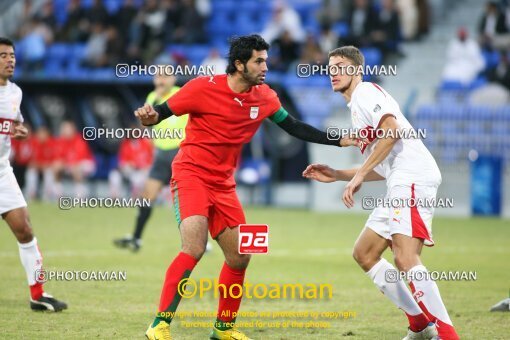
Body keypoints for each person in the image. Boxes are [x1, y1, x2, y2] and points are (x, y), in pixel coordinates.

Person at [135, 35, 360, 340]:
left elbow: (293, 126)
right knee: (194, 247)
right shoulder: (202, 88)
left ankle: (223, 329)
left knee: (242, 255)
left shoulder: (265, 97)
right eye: (259, 61)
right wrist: (149, 118)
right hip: (190, 175)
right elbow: (159, 113)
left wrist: (338, 139)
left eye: (266, 60)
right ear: (239, 64)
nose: (265, 66)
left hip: (224, 185)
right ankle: (159, 324)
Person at [303, 46, 460, 340]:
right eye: (330, 67)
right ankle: (420, 326)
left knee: (405, 256)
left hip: (413, 176)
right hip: (399, 179)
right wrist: (338, 175)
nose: (333, 72)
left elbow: (392, 131)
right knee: (364, 252)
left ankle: (448, 335)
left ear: (357, 71)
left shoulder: (366, 93)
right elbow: (384, 164)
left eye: (340, 66)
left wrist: (359, 174)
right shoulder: (356, 110)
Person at [0, 37, 67, 312]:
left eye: (12, 55)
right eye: (3, 55)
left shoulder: (15, 92)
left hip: (2, 172)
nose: (10, 60)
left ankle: (38, 295)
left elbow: (17, 126)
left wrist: (21, 132)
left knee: (24, 229)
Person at [113, 73, 207, 252]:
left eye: (165, 76)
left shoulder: (182, 93)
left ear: (173, 79)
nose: (160, 80)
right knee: (147, 196)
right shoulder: (151, 96)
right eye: (157, 76)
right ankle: (136, 238)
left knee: (190, 199)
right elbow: (146, 125)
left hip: (180, 153)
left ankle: (202, 242)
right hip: (161, 155)